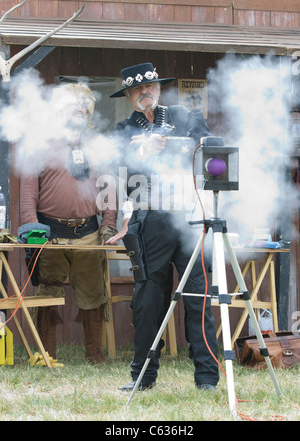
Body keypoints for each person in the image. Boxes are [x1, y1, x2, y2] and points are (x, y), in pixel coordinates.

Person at [108, 62, 220, 391]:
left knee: (198, 300)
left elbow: (213, 154)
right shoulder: (123, 130)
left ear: (158, 88)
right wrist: (140, 150)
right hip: (150, 219)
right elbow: (121, 175)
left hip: (188, 217)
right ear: (129, 96)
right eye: (138, 90)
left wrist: (186, 149)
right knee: (147, 300)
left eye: (151, 87)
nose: (146, 93)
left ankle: (207, 379)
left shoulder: (186, 116)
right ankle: (142, 378)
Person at [19, 83, 119, 364]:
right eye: (73, 103)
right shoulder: (39, 144)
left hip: (88, 233)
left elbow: (108, 189)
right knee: (47, 292)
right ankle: (46, 355)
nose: (80, 109)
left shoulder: (100, 146)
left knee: (93, 294)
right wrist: (30, 227)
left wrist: (108, 224)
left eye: (85, 105)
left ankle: (94, 355)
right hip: (50, 235)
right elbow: (28, 192)